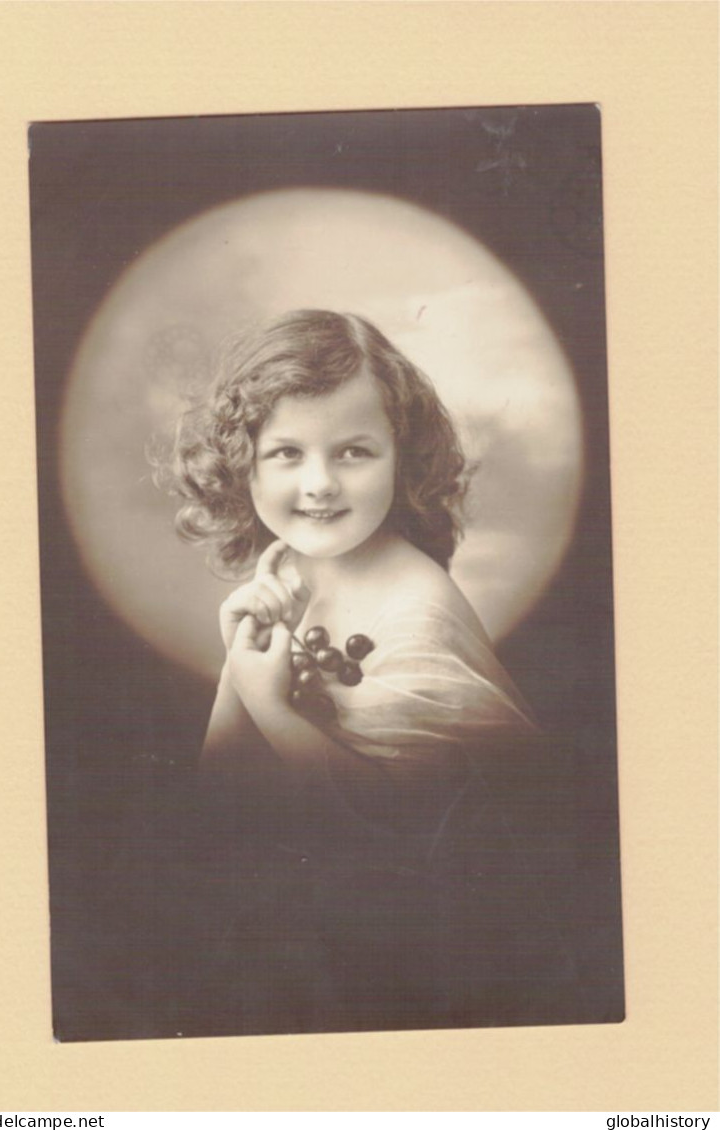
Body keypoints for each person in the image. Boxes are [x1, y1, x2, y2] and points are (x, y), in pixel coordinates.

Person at [149, 309, 574, 1036]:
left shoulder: (418, 608)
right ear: (240, 462)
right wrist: (236, 675)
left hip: (402, 956)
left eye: (352, 452)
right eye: (285, 453)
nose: (318, 484)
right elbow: (219, 797)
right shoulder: (286, 569)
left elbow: (401, 829)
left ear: (399, 457)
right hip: (292, 928)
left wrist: (273, 707)